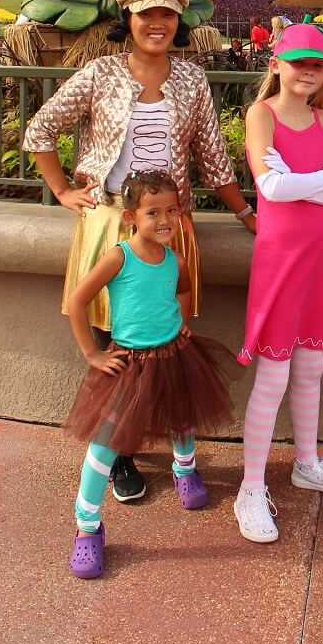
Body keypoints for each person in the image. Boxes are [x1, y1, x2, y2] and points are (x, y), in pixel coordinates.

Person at [23, 0, 255, 504]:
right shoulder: (100, 72)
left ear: (179, 23)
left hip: (171, 228)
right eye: (146, 14)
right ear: (126, 21)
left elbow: (213, 155)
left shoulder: (193, 79)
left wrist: (244, 213)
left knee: (164, 342)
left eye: (167, 15)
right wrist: (62, 188)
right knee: (116, 341)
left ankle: (174, 455)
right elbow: (41, 128)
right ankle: (121, 454)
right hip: (110, 222)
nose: (157, 24)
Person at [64, 170, 236, 579]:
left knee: (182, 416)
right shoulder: (119, 257)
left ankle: (185, 469)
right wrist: (91, 352)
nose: (164, 220)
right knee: (105, 442)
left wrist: (178, 320)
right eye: (153, 212)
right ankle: (87, 527)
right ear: (130, 217)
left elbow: (183, 289)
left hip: (174, 353)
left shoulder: (174, 257)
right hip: (130, 362)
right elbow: (76, 301)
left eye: (172, 211)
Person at [234, 22, 323, 544]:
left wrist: (310, 185)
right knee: (274, 374)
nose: (308, 72)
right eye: (298, 63)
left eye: (317, 65)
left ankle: (307, 463)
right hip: (281, 260)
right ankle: (250, 488)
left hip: (319, 258)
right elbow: (269, 185)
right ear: (276, 66)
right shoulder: (259, 115)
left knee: (311, 368)